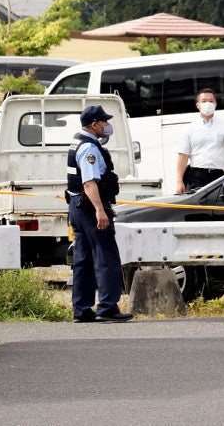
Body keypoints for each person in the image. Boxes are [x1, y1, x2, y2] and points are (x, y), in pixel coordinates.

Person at [67, 105, 132, 323]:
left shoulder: (78, 142)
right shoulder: (89, 148)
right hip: (89, 206)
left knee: (83, 259)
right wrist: (99, 210)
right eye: (104, 122)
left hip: (77, 205)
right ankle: (107, 306)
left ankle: (82, 309)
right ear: (94, 124)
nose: (107, 125)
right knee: (106, 256)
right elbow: (89, 182)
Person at [176, 88, 224, 193]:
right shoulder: (189, 128)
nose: (208, 104)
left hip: (220, 176)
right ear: (198, 105)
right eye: (204, 101)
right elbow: (183, 155)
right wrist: (179, 181)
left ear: (215, 104)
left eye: (211, 101)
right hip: (197, 176)